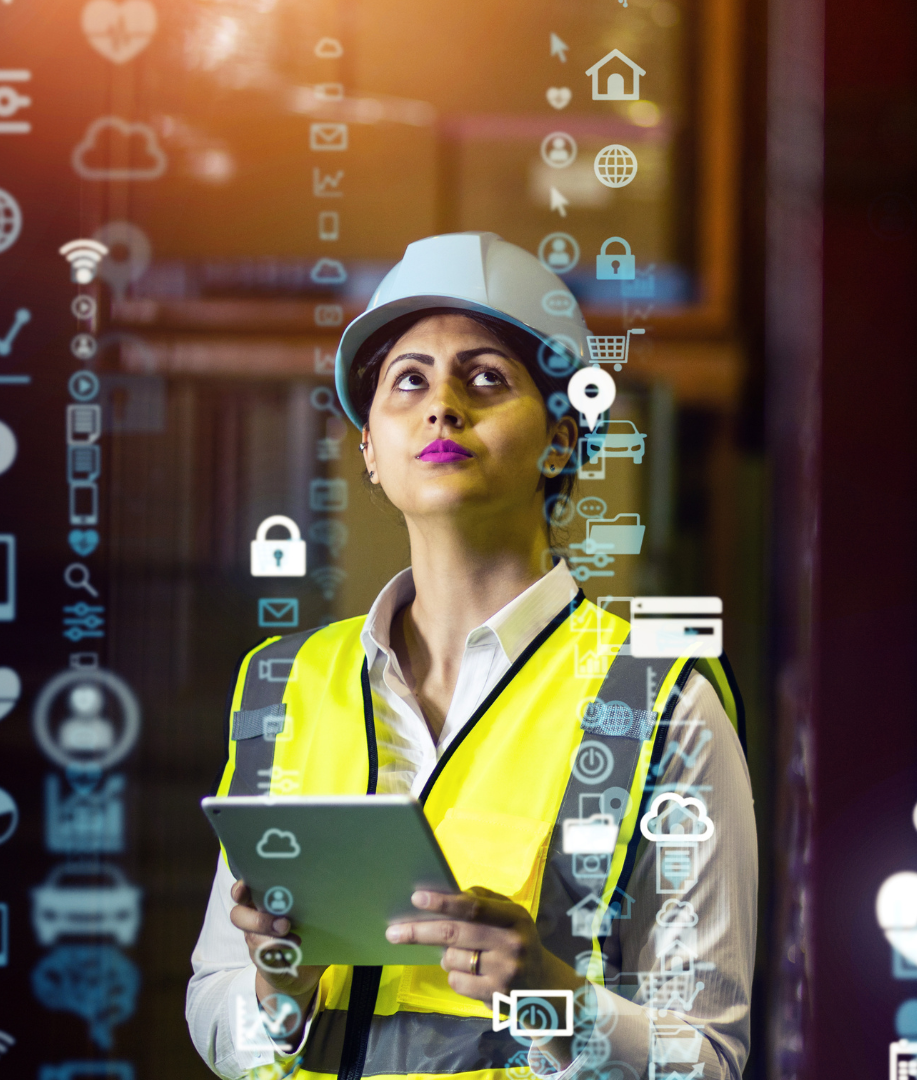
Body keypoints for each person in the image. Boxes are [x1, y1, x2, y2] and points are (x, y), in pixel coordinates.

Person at [187, 233, 756, 1080]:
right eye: (407, 380)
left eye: (486, 377)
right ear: (372, 451)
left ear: (562, 441)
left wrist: (553, 1001)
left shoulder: (661, 702)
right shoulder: (288, 683)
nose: (442, 405)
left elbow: (708, 1058)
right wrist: (278, 997)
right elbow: (212, 997)